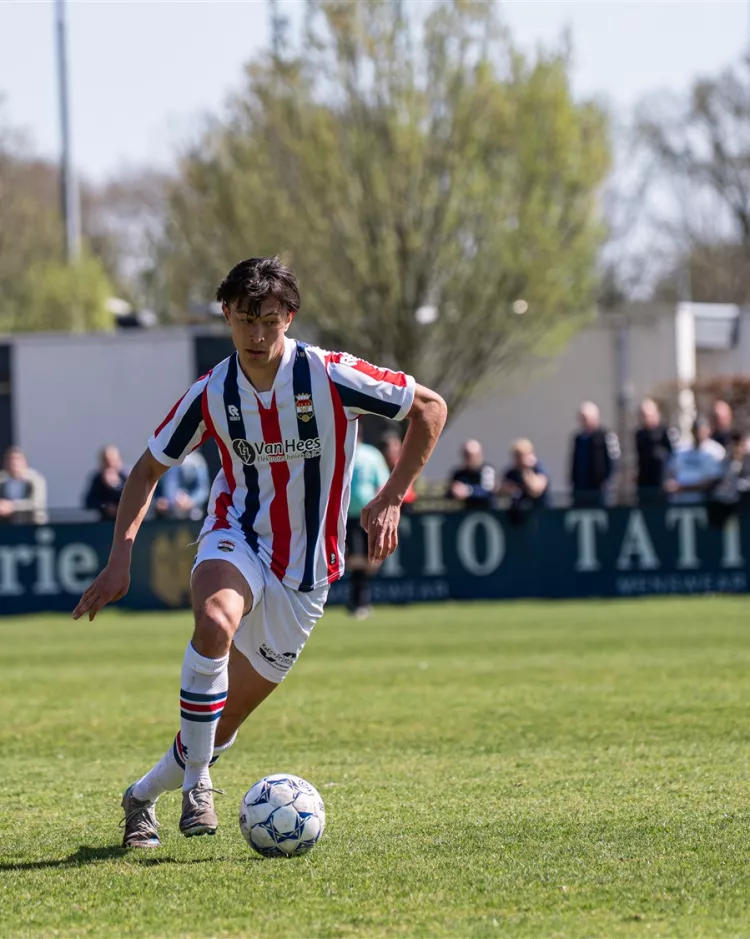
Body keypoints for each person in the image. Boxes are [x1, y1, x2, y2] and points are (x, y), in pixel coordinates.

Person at [72, 256, 447, 849]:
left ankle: (140, 796)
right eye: (245, 319)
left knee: (215, 727)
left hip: (306, 575)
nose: (256, 333)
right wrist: (121, 556)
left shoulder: (329, 375)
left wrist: (392, 497)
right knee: (215, 620)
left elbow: (430, 407)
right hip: (237, 534)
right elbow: (146, 470)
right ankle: (200, 789)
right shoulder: (212, 392)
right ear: (226, 315)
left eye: (269, 320)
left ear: (289, 318)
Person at [346, 424, 391, 619]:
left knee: (369, 560)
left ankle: (361, 601)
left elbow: (382, 482)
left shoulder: (372, 455)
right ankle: (359, 601)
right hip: (346, 516)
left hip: (368, 516)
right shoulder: (340, 451)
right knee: (354, 560)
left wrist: (380, 510)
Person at [569, 401, 620, 506]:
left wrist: (606, 481)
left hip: (600, 490)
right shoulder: (578, 438)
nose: (583, 421)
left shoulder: (606, 436)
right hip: (581, 488)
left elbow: (614, 460)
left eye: (585, 418)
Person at [664, 417, 724, 504]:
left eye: (701, 429)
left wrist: (683, 488)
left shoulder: (715, 451)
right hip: (680, 502)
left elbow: (714, 479)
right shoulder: (683, 449)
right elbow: (671, 471)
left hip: (704, 502)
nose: (698, 433)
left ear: (708, 430)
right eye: (696, 429)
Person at [499, 438, 549, 525]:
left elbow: (535, 490)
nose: (518, 460)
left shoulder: (538, 469)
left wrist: (526, 470)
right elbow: (501, 493)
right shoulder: (511, 474)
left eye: (521, 456)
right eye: (516, 456)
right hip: (516, 520)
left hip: (539, 518)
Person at [635, 398, 673, 504]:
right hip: (645, 484)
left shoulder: (665, 432)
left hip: (661, 484)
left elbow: (672, 456)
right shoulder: (640, 434)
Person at [153, 450, 210, 520]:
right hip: (166, 515)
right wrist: (159, 500)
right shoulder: (162, 459)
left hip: (190, 515)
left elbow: (203, 490)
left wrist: (190, 501)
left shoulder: (195, 461)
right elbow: (155, 486)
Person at [0, 446, 47, 525]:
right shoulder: (2, 479)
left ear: (25, 462)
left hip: (31, 522)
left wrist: (13, 506)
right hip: (6, 523)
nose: (14, 463)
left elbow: (37, 503)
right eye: (10, 460)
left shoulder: (36, 479)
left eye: (17, 459)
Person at [446, 440, 496, 509]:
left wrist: (468, 491)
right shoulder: (459, 474)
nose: (469, 459)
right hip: (466, 513)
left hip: (487, 511)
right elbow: (449, 495)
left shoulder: (487, 470)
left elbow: (488, 491)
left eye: (471, 456)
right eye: (466, 455)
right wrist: (454, 492)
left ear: (479, 455)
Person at [84, 446, 129, 520]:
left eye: (112, 461)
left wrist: (115, 485)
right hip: (106, 522)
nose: (109, 465)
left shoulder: (128, 476)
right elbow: (89, 501)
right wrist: (105, 506)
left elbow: (134, 498)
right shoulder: (98, 478)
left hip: (127, 521)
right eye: (106, 461)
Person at [380, 431, 417, 506]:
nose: (396, 450)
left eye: (397, 445)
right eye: (393, 447)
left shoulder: (404, 465)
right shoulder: (381, 465)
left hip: (405, 503)